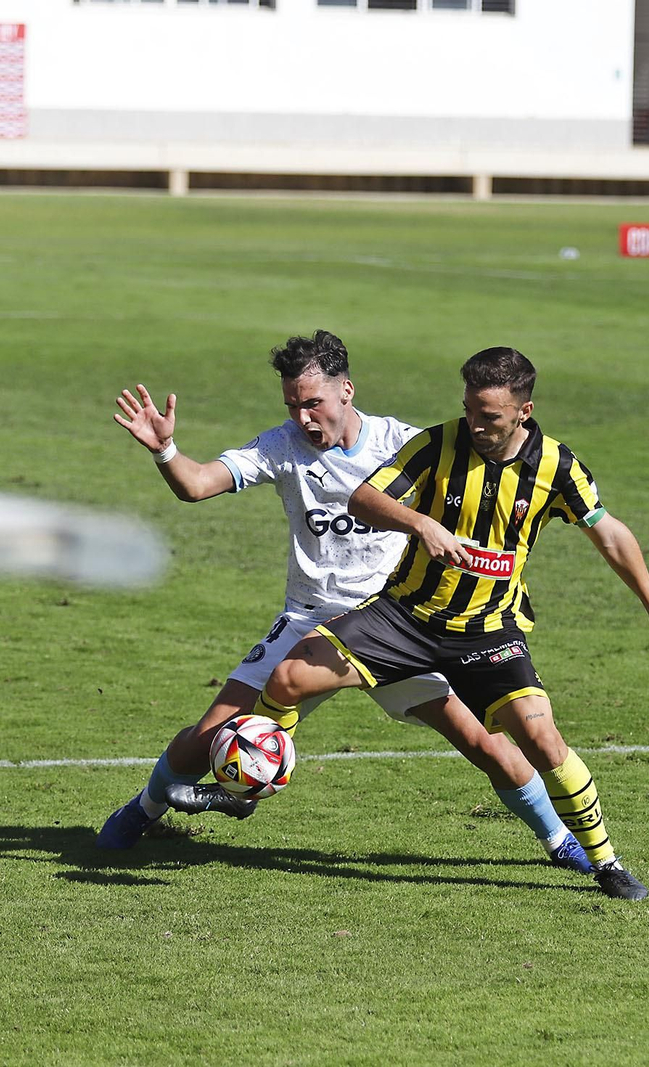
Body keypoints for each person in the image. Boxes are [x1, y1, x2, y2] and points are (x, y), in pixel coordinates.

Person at [96, 331, 593, 880]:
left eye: (313, 403)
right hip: (311, 618)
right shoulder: (281, 446)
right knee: (212, 735)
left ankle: (560, 839)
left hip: (397, 620)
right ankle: (144, 811)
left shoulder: (405, 443)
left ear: (347, 391)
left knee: (486, 744)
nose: (303, 417)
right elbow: (195, 485)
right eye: (292, 404)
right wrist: (165, 450)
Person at [257, 346, 649, 901]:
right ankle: (252, 782)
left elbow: (609, 534)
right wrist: (421, 525)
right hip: (405, 616)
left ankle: (606, 862)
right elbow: (363, 500)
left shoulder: (557, 467)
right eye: (469, 410)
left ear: (524, 412)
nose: (476, 425)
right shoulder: (437, 444)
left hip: (489, 630)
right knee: (290, 676)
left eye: (490, 416)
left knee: (542, 741)